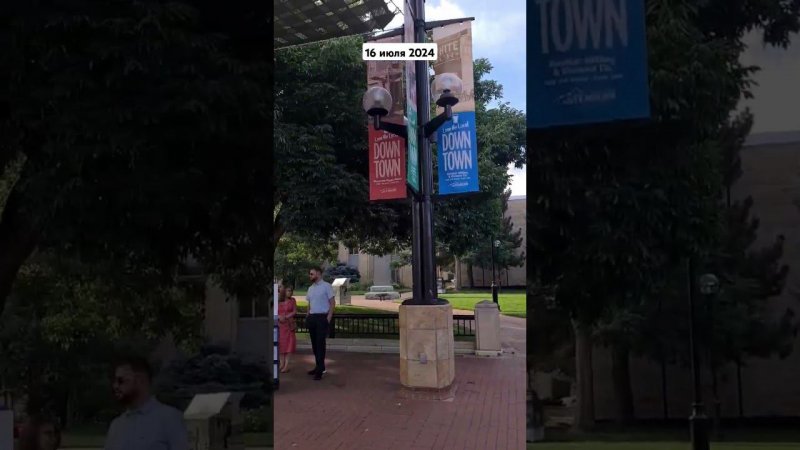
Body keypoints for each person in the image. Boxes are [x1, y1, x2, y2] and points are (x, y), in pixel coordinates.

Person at [104, 355, 188, 450]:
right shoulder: (116, 425)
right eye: (114, 381)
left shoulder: (171, 419)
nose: (115, 386)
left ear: (141, 380)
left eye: (120, 381)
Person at [306, 266, 335, 380]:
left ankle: (320, 369)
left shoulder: (326, 286)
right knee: (314, 344)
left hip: (322, 318)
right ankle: (318, 366)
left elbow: (332, 303)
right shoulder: (310, 288)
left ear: (318, 273)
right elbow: (309, 304)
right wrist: (308, 316)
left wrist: (328, 317)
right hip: (312, 318)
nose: (310, 276)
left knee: (320, 344)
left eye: (312, 274)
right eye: (310, 274)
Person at [278, 282, 298, 373]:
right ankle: (281, 363)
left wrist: (286, 316)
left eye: (291, 291)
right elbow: (274, 311)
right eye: (288, 290)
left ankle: (286, 365)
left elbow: (294, 311)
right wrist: (279, 317)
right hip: (280, 325)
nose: (290, 292)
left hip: (289, 324)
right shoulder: (278, 300)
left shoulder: (293, 300)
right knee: (281, 344)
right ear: (283, 291)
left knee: (289, 345)